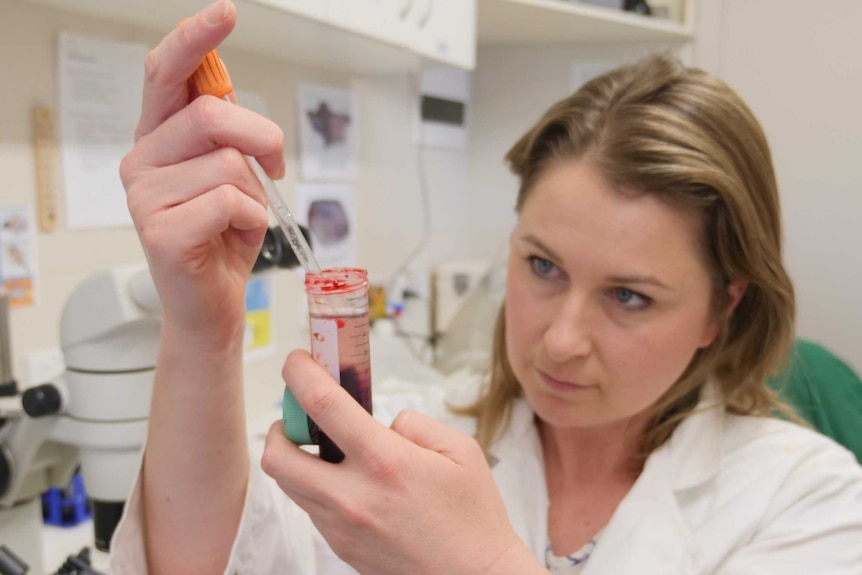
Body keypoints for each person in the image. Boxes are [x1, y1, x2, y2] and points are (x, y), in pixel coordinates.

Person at [112, 1, 862, 573]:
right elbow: (208, 558)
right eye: (543, 266)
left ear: (720, 310)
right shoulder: (412, 434)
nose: (561, 339)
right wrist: (201, 329)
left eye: (629, 296)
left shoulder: (805, 496)